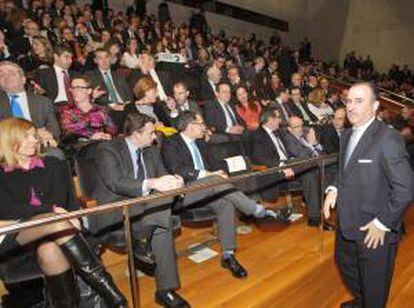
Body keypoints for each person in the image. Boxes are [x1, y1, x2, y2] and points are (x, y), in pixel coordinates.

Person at [0, 117, 126, 307]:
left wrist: (59, 214)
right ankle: (111, 293)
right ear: (9, 140)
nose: (34, 140)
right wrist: (47, 210)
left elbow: (62, 203)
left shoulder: (53, 164)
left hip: (58, 236)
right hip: (19, 242)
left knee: (49, 249)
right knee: (52, 220)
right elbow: (7, 211)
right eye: (26, 137)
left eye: (34, 136)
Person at [324, 82, 414, 308]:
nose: (351, 106)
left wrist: (383, 223)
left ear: (375, 106)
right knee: (345, 264)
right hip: (347, 222)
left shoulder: (388, 139)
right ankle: (360, 302)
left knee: (375, 289)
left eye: (359, 100)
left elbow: (406, 189)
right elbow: (345, 172)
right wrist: (334, 189)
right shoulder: (346, 135)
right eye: (349, 101)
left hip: (375, 229)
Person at [89, 113, 190, 307]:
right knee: (162, 218)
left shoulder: (151, 152)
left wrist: (174, 181)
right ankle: (165, 290)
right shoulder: (108, 148)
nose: (155, 137)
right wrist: (153, 183)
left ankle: (145, 246)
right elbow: (115, 182)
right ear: (136, 134)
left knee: (161, 213)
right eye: (151, 133)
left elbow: (162, 177)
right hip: (116, 209)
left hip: (146, 210)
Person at [59, 76, 117, 141]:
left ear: (89, 91)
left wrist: (107, 135)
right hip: (80, 147)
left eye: (79, 88)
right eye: (73, 88)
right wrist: (91, 137)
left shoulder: (101, 110)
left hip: (103, 144)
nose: (75, 91)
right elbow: (68, 132)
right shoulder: (67, 111)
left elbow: (112, 129)